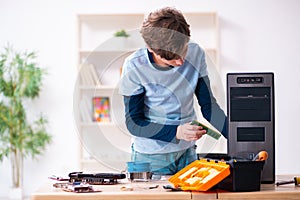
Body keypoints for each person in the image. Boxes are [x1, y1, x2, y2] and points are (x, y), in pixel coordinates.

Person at [119, 7, 227, 175]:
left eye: (183, 51)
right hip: (151, 158)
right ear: (150, 48)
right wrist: (176, 132)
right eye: (170, 59)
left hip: (188, 153)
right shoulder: (134, 66)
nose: (181, 61)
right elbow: (134, 123)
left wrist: (239, 139)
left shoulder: (196, 52)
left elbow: (209, 107)